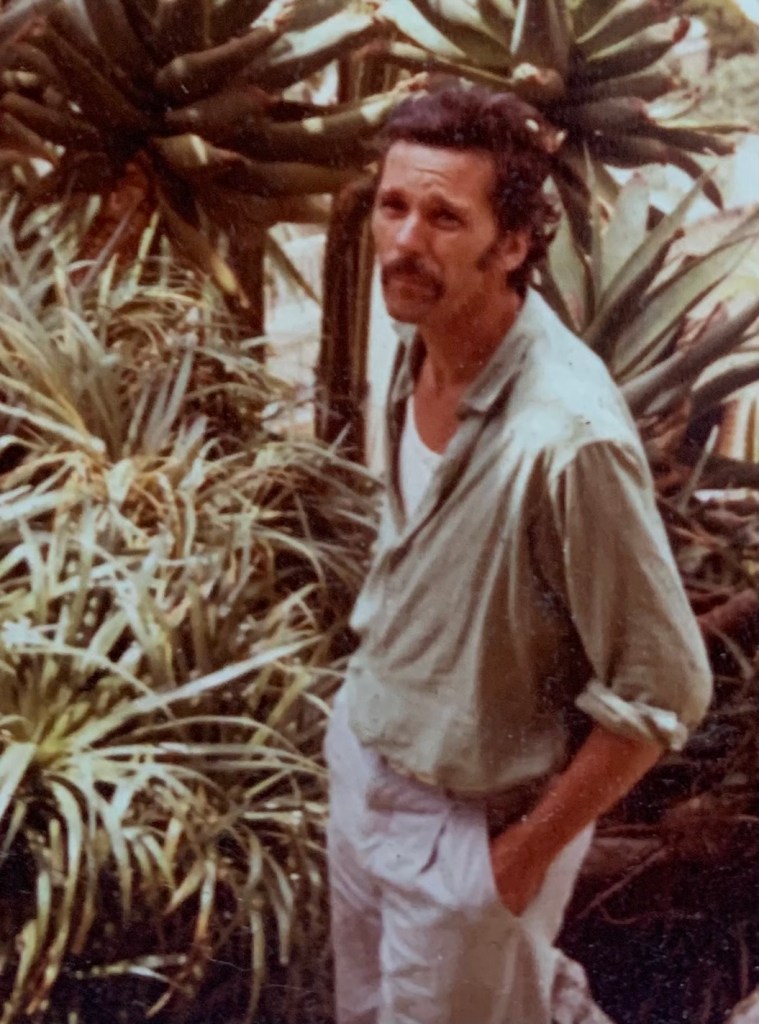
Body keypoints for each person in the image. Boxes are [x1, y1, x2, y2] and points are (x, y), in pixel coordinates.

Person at [324, 85, 712, 1024]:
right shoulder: (421, 331)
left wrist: (517, 862)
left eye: (444, 217)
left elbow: (666, 688)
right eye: (392, 205)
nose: (404, 240)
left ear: (511, 245)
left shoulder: (566, 440)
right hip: (368, 766)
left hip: (471, 829)